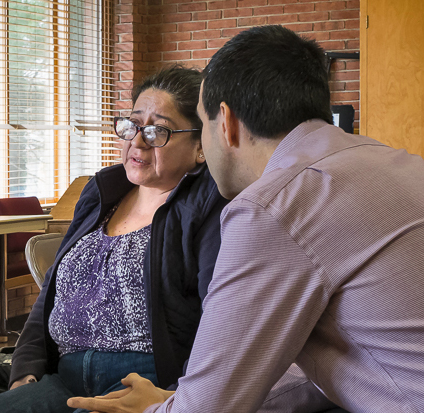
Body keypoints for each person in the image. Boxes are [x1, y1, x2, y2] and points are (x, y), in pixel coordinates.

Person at [68, 25, 424, 413]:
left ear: (226, 123)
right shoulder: (398, 164)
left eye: (202, 125)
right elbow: (350, 364)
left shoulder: (275, 206)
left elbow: (210, 410)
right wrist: (180, 399)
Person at [0, 66, 228, 413]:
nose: (136, 141)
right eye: (132, 125)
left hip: (143, 383)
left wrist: (178, 396)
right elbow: (51, 295)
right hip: (62, 377)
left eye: (157, 131)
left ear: (201, 147)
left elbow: (221, 318)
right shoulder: (102, 191)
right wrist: (25, 371)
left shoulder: (208, 206)